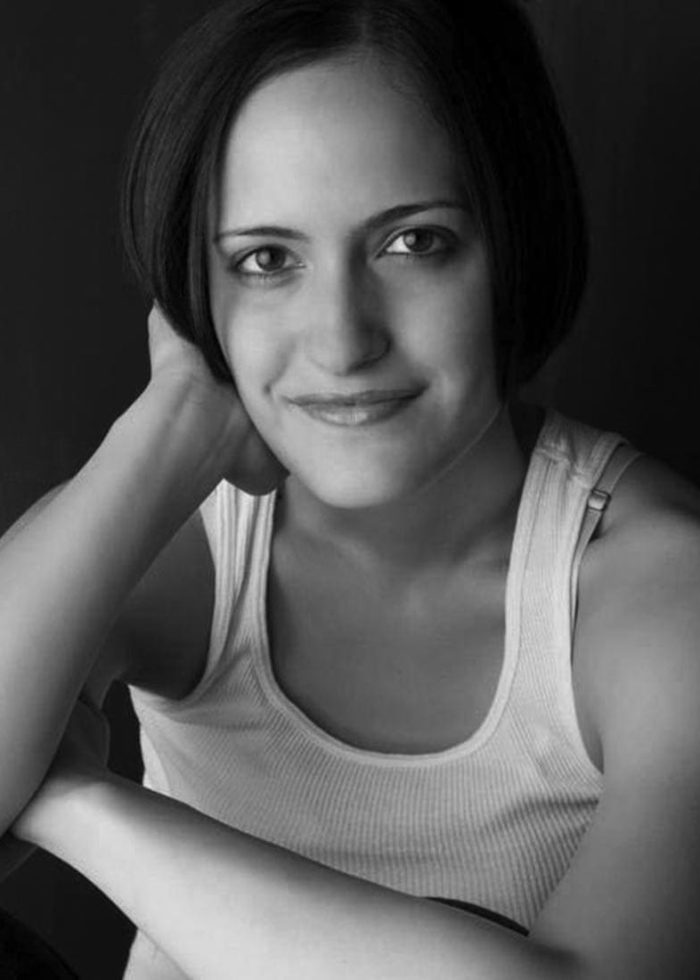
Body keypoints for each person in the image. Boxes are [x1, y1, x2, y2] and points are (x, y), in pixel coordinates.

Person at [3, 0, 700, 976]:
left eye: (413, 243)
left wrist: (76, 802)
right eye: (265, 260)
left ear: (517, 241)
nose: (341, 340)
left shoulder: (659, 590)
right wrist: (167, 426)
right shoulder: (178, 540)